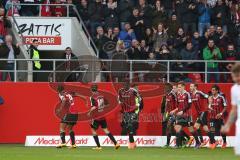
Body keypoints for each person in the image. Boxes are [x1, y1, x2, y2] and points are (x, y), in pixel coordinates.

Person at [88, 84, 120, 150]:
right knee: (106, 130)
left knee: (93, 129)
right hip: (102, 115)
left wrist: (89, 112)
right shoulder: (102, 96)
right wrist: (102, 107)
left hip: (96, 116)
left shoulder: (92, 97)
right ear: (97, 89)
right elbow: (107, 104)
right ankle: (116, 143)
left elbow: (94, 107)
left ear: (91, 90)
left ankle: (98, 146)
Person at [173, 82, 201, 149]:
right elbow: (178, 105)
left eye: (180, 87)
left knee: (191, 130)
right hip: (180, 115)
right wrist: (175, 111)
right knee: (177, 128)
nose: (178, 89)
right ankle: (178, 144)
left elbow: (189, 104)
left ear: (183, 87)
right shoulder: (178, 95)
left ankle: (198, 142)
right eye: (178, 87)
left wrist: (183, 111)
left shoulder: (187, 94)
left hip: (187, 115)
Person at [221, 63, 240, 156]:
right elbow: (234, 109)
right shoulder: (234, 89)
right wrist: (228, 125)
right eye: (234, 76)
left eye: (237, 76)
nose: (235, 79)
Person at [189, 83, 216, 148]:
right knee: (205, 129)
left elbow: (209, 97)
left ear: (195, 87)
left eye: (191, 86)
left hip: (203, 112)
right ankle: (213, 141)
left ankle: (204, 142)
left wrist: (209, 105)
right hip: (199, 113)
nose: (190, 87)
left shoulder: (199, 93)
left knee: (196, 126)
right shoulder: (191, 95)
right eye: (190, 86)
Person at [118, 82, 141, 149]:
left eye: (126, 85)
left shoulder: (133, 91)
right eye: (124, 85)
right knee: (128, 127)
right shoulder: (120, 91)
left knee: (130, 125)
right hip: (125, 112)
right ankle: (132, 143)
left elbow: (139, 98)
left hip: (132, 111)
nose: (125, 86)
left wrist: (138, 105)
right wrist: (120, 103)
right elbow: (119, 98)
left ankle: (131, 144)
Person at [208, 85, 227, 149]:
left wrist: (221, 113)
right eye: (212, 90)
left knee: (222, 131)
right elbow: (209, 107)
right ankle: (214, 143)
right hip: (212, 117)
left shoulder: (221, 97)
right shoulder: (210, 98)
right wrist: (210, 108)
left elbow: (225, 107)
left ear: (217, 91)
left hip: (220, 117)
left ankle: (224, 142)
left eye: (213, 90)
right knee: (212, 130)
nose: (212, 91)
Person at [161, 83, 177, 147]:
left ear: (170, 88)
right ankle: (168, 144)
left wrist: (175, 111)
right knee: (169, 128)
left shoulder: (173, 94)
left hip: (175, 113)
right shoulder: (167, 95)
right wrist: (166, 114)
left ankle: (180, 141)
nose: (165, 89)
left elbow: (178, 103)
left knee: (175, 128)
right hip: (169, 114)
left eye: (166, 87)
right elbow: (167, 106)